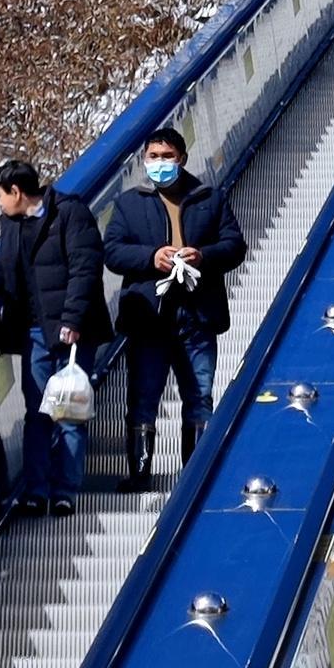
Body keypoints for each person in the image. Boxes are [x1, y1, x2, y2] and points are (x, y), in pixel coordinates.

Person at [0, 157, 112, 516]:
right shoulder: (11, 223)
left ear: (17, 191)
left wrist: (73, 318)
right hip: (34, 331)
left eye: (0, 195)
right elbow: (2, 262)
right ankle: (36, 490)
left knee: (69, 411)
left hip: (75, 330)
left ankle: (65, 491)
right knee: (37, 412)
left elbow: (85, 267)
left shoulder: (70, 214)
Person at [103, 122, 248, 474]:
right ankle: (139, 473)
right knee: (143, 399)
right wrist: (151, 257)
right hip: (149, 317)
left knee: (199, 396)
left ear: (181, 158)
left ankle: (194, 476)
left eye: (167, 156)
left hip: (197, 315)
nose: (160, 162)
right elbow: (113, 252)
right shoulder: (128, 204)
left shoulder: (208, 198)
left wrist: (203, 256)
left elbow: (234, 246)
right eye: (153, 156)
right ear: (144, 160)